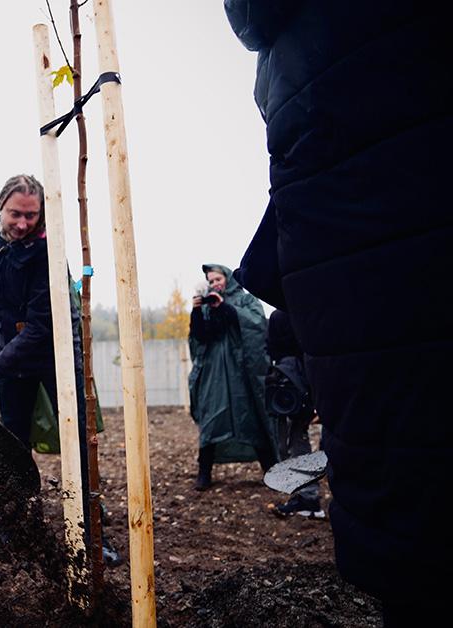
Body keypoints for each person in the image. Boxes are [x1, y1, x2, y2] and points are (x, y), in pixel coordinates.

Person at [224, 2, 450, 623]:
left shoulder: (287, 62)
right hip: (369, 319)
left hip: (344, 334)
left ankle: (311, 494)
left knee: (405, 546)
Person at [0, 174, 120, 565]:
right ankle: (19, 519)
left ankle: (91, 529)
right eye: (15, 214)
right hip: (13, 346)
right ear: (1, 208)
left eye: (31, 216)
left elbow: (40, 328)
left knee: (77, 440)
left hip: (54, 349)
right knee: (14, 441)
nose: (22, 223)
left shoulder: (48, 248)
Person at [188, 264, 277, 491]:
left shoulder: (245, 300)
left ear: (227, 278)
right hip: (213, 372)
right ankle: (204, 473)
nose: (215, 284)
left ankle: (271, 469)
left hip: (241, 371)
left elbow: (257, 325)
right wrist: (197, 312)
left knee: (250, 417)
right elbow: (200, 338)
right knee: (210, 420)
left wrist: (226, 307)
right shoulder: (207, 304)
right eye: (211, 281)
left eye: (218, 279)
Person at [265, 309, 324, 519]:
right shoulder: (280, 316)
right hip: (287, 383)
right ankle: (303, 496)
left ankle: (309, 499)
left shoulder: (295, 314)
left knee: (296, 441)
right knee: (289, 441)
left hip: (297, 383)